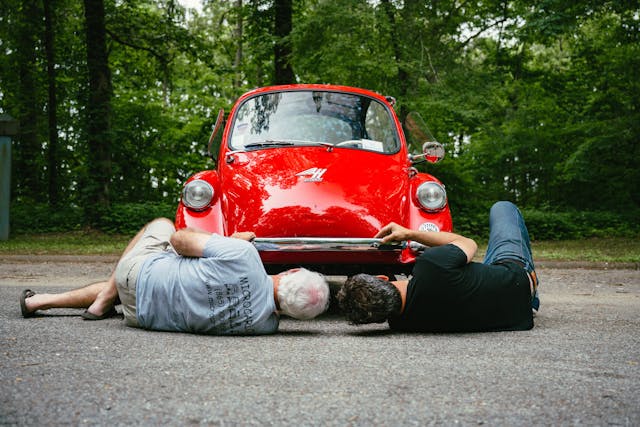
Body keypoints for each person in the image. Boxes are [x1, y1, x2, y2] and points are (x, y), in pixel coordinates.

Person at [20, 218, 330, 335]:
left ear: (291, 271)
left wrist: (231, 242)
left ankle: (103, 299)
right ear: (293, 316)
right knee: (132, 287)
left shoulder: (245, 255)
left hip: (137, 276)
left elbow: (179, 240)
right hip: (141, 316)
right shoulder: (265, 326)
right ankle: (41, 302)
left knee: (163, 224)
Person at [337, 201, 539, 332]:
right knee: (502, 208)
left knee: (467, 274)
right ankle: (532, 281)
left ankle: (531, 301)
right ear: (382, 278)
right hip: (519, 276)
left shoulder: (403, 325)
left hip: (520, 314)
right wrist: (409, 234)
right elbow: (468, 243)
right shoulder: (432, 266)